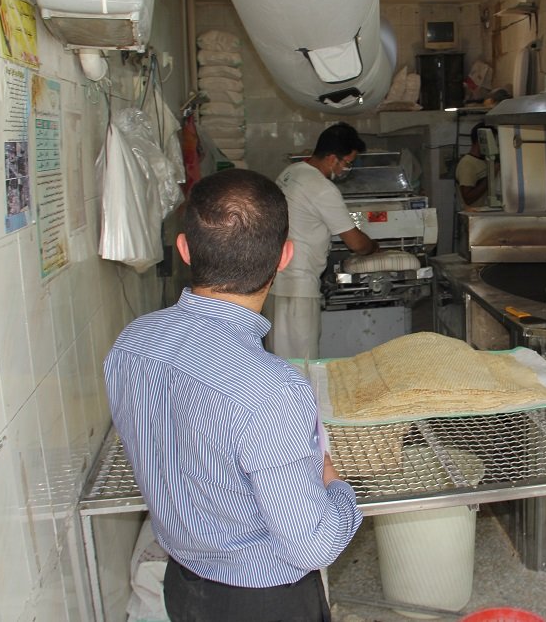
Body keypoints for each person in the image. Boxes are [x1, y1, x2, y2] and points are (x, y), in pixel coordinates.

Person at [104, 169, 362, 621]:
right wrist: (336, 486)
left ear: (184, 249)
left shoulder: (133, 343)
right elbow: (314, 544)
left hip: (182, 586)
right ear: (285, 256)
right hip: (264, 601)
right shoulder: (272, 390)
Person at [265, 122, 379, 360]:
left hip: (275, 283)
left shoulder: (291, 172)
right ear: (332, 158)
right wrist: (374, 247)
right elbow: (356, 244)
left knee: (279, 360)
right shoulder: (322, 188)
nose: (346, 169)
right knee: (301, 364)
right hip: (298, 289)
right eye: (347, 163)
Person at [454, 122, 492, 209]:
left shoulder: (487, 161)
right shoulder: (467, 163)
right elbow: (468, 199)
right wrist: (491, 176)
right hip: (474, 215)